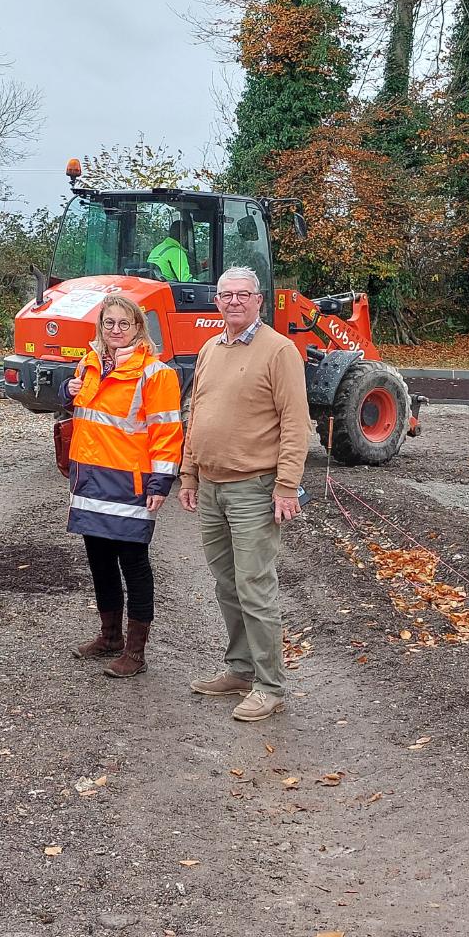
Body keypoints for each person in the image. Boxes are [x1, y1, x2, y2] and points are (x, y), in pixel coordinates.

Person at [179, 266, 311, 722]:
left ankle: (270, 685)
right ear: (217, 301)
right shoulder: (210, 349)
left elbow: (296, 423)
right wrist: (189, 472)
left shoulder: (280, 351)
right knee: (226, 583)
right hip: (212, 486)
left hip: (254, 488)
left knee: (255, 587)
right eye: (225, 294)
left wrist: (287, 485)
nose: (233, 301)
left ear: (259, 300)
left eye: (242, 294)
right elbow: (196, 414)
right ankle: (239, 669)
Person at [64, 296, 183, 678]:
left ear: (138, 327)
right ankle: (110, 636)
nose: (116, 330)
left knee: (134, 564)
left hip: (129, 483)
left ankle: (135, 652)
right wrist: (68, 393)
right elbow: (86, 416)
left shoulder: (156, 373)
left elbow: (166, 431)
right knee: (99, 561)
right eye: (109, 323)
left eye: (124, 323)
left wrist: (161, 481)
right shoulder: (90, 363)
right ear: (101, 326)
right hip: (91, 479)